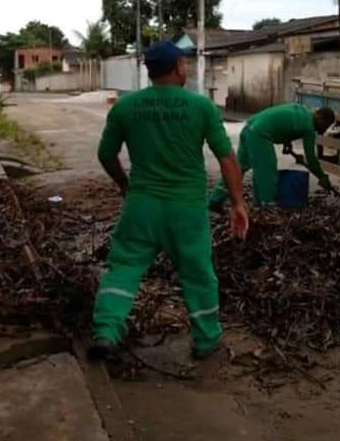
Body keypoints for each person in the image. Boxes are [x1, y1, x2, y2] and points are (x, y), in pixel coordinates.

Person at [88, 40, 248, 361]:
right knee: (198, 273)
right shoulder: (201, 106)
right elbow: (227, 159)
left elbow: (106, 154)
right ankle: (205, 341)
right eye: (184, 64)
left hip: (141, 206)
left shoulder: (125, 106)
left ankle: (106, 331)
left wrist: (124, 183)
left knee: (123, 267)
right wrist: (237, 203)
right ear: (178, 68)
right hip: (187, 210)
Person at [208, 103, 335, 210]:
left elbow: (284, 123)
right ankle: (267, 207)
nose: (323, 130)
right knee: (267, 170)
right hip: (260, 134)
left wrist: (287, 142)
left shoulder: (301, 110)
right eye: (325, 125)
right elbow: (312, 159)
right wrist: (322, 176)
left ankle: (215, 200)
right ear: (319, 116)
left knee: (237, 169)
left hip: (250, 127)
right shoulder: (309, 127)